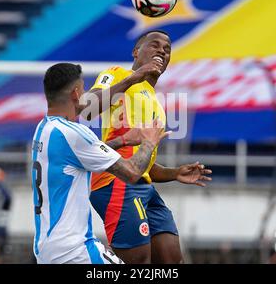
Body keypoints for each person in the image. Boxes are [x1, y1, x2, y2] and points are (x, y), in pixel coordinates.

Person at [84, 30, 212, 264]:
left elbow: (146, 165)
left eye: (167, 49)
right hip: (116, 182)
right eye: (154, 45)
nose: (162, 51)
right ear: (136, 52)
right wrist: (134, 77)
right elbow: (87, 108)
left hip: (144, 186)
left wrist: (174, 173)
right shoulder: (117, 74)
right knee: (136, 263)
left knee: (171, 260)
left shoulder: (156, 104)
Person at [31, 62, 172, 264]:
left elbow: (84, 153)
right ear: (76, 94)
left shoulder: (44, 129)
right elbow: (131, 172)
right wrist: (148, 142)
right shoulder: (76, 134)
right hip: (75, 251)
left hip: (46, 248)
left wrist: (122, 140)